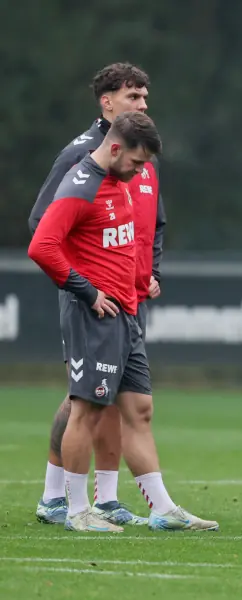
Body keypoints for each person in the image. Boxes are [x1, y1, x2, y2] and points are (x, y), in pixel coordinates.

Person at [28, 111, 216, 533]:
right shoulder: (82, 182)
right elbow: (42, 245)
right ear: (115, 148)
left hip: (127, 311)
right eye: (135, 162)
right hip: (95, 314)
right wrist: (88, 292)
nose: (139, 171)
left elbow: (116, 244)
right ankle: (77, 510)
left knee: (140, 409)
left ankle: (163, 509)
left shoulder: (121, 183)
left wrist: (141, 279)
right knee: (88, 409)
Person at [29, 62, 166, 528]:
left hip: (128, 297)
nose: (143, 104)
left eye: (145, 98)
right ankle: (61, 500)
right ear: (107, 103)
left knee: (121, 402)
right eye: (133, 97)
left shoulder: (137, 159)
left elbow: (151, 226)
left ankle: (112, 501)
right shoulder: (82, 160)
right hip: (91, 298)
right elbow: (42, 230)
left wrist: (150, 271)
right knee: (82, 401)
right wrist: (83, 286)